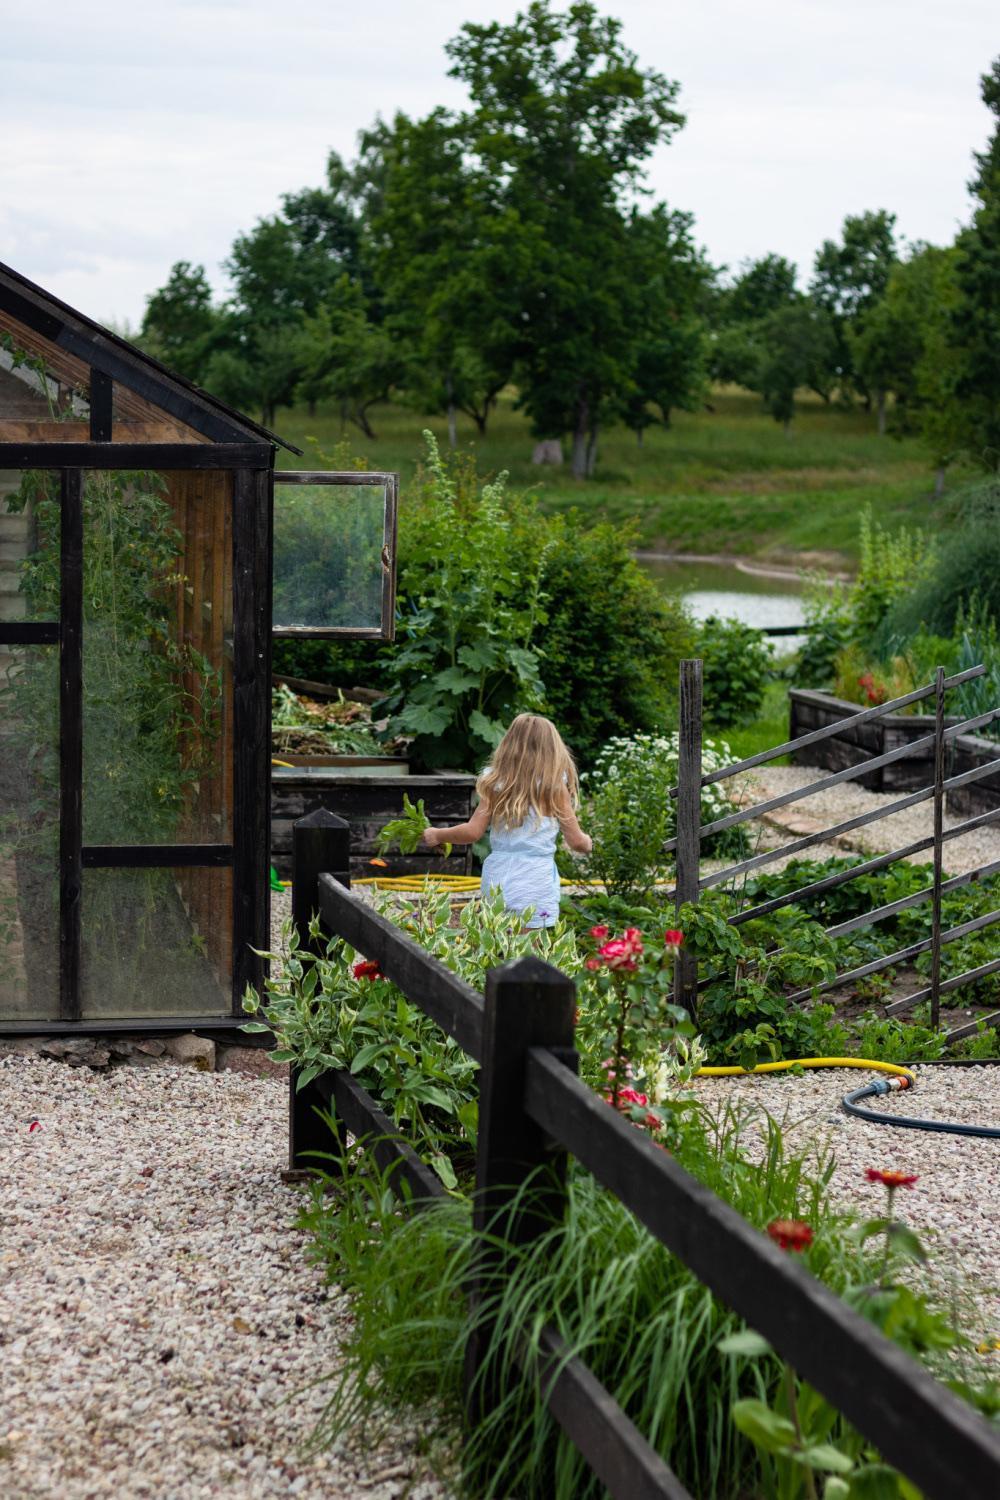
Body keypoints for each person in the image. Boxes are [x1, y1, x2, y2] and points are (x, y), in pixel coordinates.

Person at [421, 713, 592, 929]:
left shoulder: (495, 784)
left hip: (498, 876)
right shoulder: (554, 789)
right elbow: (576, 842)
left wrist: (437, 834)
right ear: (553, 750)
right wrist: (588, 842)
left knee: (495, 946)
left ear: (509, 745)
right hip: (535, 879)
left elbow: (472, 832)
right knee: (529, 952)